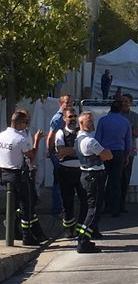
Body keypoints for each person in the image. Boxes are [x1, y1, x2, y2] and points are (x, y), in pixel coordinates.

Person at [0, 110, 46, 245]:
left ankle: (18, 231)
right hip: (18, 174)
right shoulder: (20, 139)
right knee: (27, 205)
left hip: (4, 173)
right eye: (25, 122)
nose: (27, 125)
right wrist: (36, 140)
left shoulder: (2, 135)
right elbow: (31, 155)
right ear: (19, 123)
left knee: (15, 205)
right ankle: (27, 236)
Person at [75, 112, 113, 253]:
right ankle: (83, 239)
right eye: (88, 122)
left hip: (86, 175)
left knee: (88, 208)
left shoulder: (79, 138)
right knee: (95, 210)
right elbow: (108, 155)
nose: (92, 124)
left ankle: (83, 238)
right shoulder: (90, 141)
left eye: (92, 121)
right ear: (81, 124)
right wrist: (106, 152)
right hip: (94, 176)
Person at [95, 98, 131, 217]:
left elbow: (98, 139)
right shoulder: (125, 122)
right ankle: (115, 208)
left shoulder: (103, 120)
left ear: (110, 108)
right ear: (120, 109)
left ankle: (104, 206)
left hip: (105, 152)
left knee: (102, 181)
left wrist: (97, 154)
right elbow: (128, 141)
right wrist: (126, 155)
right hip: (119, 153)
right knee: (116, 181)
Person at [55, 106, 88, 238]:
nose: (73, 119)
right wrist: (78, 149)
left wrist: (71, 150)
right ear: (64, 118)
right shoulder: (60, 133)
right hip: (66, 171)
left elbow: (88, 150)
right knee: (67, 202)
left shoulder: (82, 132)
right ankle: (69, 229)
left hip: (82, 171)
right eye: (70, 117)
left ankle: (82, 229)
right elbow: (61, 152)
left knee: (85, 200)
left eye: (75, 116)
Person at [47, 94, 73, 215]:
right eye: (67, 102)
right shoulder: (58, 118)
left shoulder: (68, 116)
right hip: (59, 152)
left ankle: (61, 207)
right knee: (59, 181)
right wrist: (51, 151)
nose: (70, 104)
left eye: (71, 102)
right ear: (60, 103)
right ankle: (57, 209)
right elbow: (51, 136)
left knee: (63, 180)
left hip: (64, 152)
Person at [120, 94, 138, 213]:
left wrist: (128, 129)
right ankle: (112, 204)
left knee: (125, 178)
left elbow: (137, 133)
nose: (124, 104)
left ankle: (122, 204)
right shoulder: (115, 115)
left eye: (126, 102)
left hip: (129, 151)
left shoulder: (135, 116)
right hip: (116, 150)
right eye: (122, 101)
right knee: (115, 178)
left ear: (131, 103)